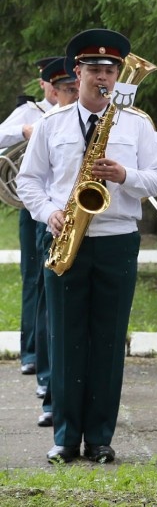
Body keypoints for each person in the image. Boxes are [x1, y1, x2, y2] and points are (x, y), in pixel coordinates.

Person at [18, 28, 157, 465]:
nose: (102, 77)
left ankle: (100, 436)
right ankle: (65, 437)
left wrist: (125, 177)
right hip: (66, 240)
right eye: (94, 70)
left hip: (117, 241)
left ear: (118, 75)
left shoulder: (136, 124)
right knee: (64, 341)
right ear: (76, 73)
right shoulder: (51, 125)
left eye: (110, 70)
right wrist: (50, 212)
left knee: (107, 340)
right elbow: (28, 181)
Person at [0, 56, 59, 377]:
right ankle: (31, 353)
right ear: (43, 84)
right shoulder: (29, 111)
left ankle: (54, 352)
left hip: (65, 210)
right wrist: (22, 131)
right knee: (33, 280)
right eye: (53, 84)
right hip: (33, 210)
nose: (58, 89)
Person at [31, 57, 80, 429]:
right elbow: (29, 180)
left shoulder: (120, 120)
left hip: (99, 227)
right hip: (53, 223)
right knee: (51, 310)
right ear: (53, 88)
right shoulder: (42, 120)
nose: (72, 94)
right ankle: (50, 388)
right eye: (65, 89)